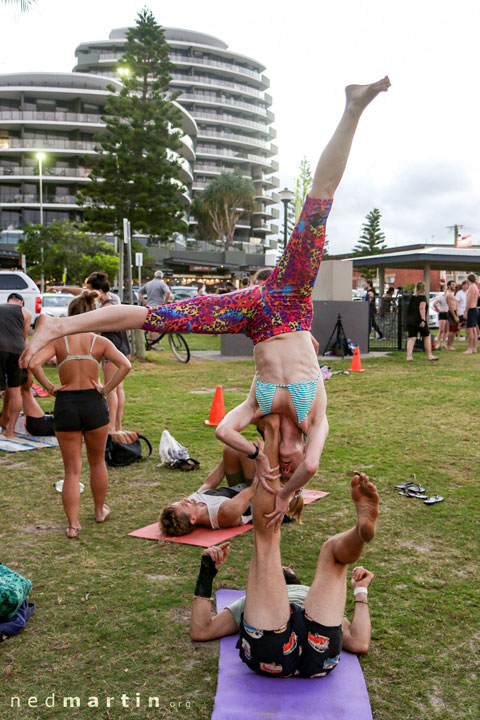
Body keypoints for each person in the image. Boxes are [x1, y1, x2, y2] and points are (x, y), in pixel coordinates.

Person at [21, 77, 391, 525]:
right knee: (319, 206)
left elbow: (223, 430)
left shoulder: (257, 413)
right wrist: (285, 490)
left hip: (252, 317)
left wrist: (262, 462)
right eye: (289, 463)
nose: (291, 461)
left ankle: (59, 324)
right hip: (290, 304)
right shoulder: (316, 419)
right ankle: (353, 107)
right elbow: (310, 465)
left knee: (155, 317)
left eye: (286, 463)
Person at [190, 470, 378, 677]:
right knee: (332, 553)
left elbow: (202, 631)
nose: (282, 569)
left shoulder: (258, 600)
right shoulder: (311, 595)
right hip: (320, 658)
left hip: (268, 650)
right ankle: (358, 534)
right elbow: (359, 642)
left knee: (266, 542)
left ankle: (361, 531)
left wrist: (206, 575)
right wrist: (360, 592)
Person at [29, 290, 131, 538]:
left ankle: (73, 525)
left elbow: (33, 364)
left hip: (66, 404)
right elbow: (126, 365)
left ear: (70, 316)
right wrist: (106, 389)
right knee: (97, 462)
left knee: (72, 470)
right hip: (93, 403)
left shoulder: (59, 342)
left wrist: (50, 388)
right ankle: (98, 511)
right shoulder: (100, 342)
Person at [190, 543, 373, 656]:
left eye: (284, 568)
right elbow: (201, 631)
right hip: (285, 636)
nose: (282, 567)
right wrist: (206, 573)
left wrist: (361, 589)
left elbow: (359, 643)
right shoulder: (253, 601)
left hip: (300, 631)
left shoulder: (313, 595)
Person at [160, 419, 304, 536]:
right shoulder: (224, 514)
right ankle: (275, 432)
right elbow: (255, 487)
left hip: (243, 488)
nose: (185, 500)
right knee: (246, 453)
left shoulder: (194, 503)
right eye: (184, 505)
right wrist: (257, 454)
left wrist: (233, 441)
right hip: (261, 497)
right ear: (193, 519)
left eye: (181, 501)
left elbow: (209, 483)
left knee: (231, 449)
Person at [52, 272, 131, 433]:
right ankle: (117, 425)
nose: (87, 293)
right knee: (119, 388)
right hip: (123, 344)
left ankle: (111, 427)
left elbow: (94, 327)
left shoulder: (106, 308)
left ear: (98, 291)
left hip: (113, 344)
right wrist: (63, 288)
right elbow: (80, 295)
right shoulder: (114, 299)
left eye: (89, 290)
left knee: (111, 389)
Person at [0, 293, 31, 438]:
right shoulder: (25, 312)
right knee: (14, 390)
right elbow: (23, 338)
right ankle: (10, 430)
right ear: (21, 302)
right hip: (16, 351)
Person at [405, 282, 438, 362]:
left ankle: (409, 356)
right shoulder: (422, 297)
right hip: (419, 320)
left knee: (412, 338)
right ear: (424, 288)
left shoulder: (412, 297)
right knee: (426, 336)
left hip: (410, 319)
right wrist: (423, 319)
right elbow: (421, 308)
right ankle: (429, 355)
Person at [463, 274, 479, 354]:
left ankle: (470, 349)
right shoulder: (476, 287)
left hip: (471, 309)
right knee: (474, 329)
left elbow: (469, 300)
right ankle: (474, 348)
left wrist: (465, 311)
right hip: (475, 309)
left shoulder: (472, 287)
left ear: (468, 280)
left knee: (470, 330)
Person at [445, 280, 459, 350]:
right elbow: (450, 307)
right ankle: (449, 346)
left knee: (454, 330)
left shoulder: (452, 293)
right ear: (448, 286)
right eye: (452, 285)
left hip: (454, 312)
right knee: (452, 329)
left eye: (454, 284)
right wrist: (455, 316)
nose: (454, 286)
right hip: (451, 313)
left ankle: (450, 345)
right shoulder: (449, 294)